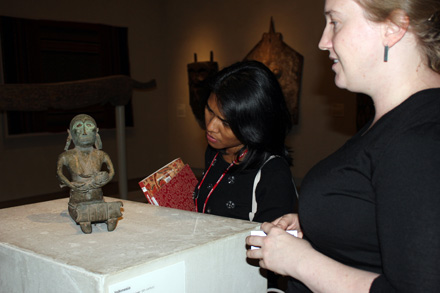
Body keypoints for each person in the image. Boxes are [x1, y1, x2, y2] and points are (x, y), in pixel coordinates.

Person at [246, 0, 440, 292]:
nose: (324, 42)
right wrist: (325, 221)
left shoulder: (421, 138)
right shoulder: (397, 123)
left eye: (334, 22)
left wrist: (299, 261)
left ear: (393, 28)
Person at [57, 114, 122, 233]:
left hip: (97, 197)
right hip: (78, 200)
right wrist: (72, 185)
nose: (84, 132)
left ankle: (106, 217)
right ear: (70, 133)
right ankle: (86, 219)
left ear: (96, 132)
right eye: (79, 127)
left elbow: (112, 172)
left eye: (88, 126)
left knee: (111, 207)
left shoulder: (101, 155)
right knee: (82, 211)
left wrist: (102, 180)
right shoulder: (66, 156)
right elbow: (59, 174)